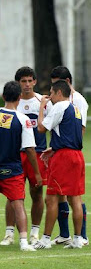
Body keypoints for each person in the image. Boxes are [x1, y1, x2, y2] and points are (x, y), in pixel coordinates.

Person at [0, 81, 42, 252]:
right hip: (12, 170)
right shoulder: (23, 119)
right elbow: (29, 149)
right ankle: (23, 242)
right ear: (19, 98)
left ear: (3, 97)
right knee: (18, 204)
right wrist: (36, 173)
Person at [0, 67, 52, 246]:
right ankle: (9, 234)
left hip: (37, 153)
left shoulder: (43, 102)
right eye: (23, 81)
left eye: (30, 81)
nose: (27, 84)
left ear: (35, 82)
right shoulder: (13, 103)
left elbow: (52, 125)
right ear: (18, 83)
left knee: (37, 192)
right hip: (16, 155)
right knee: (12, 195)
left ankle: (35, 233)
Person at [34, 79, 85, 249]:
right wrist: (54, 148)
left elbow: (41, 128)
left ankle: (46, 239)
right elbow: (70, 134)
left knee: (51, 198)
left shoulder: (59, 106)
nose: (50, 97)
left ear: (59, 93)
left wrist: (41, 106)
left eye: (51, 93)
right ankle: (78, 239)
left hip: (64, 158)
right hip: (77, 155)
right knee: (75, 198)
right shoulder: (75, 109)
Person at [50, 66, 89, 246]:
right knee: (61, 194)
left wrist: (68, 146)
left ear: (65, 83)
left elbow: (80, 128)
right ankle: (65, 234)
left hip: (70, 151)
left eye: (54, 86)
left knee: (74, 194)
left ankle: (82, 236)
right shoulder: (59, 99)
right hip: (62, 149)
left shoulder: (78, 101)